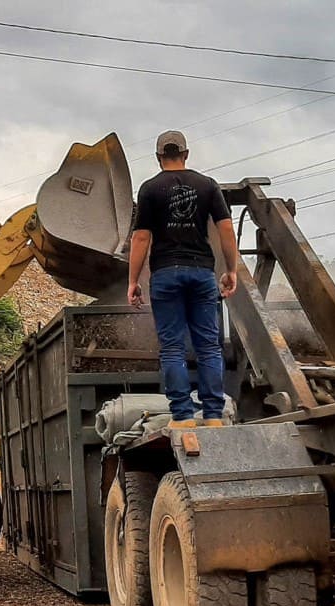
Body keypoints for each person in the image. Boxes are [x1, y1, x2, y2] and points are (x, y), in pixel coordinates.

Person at [126, 130, 240, 429]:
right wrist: (231, 270)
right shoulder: (207, 185)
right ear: (186, 154)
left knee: (173, 348)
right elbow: (226, 229)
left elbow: (140, 237)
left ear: (158, 157)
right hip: (202, 272)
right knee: (208, 347)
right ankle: (214, 415)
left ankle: (183, 416)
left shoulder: (150, 189)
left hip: (165, 273)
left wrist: (133, 280)